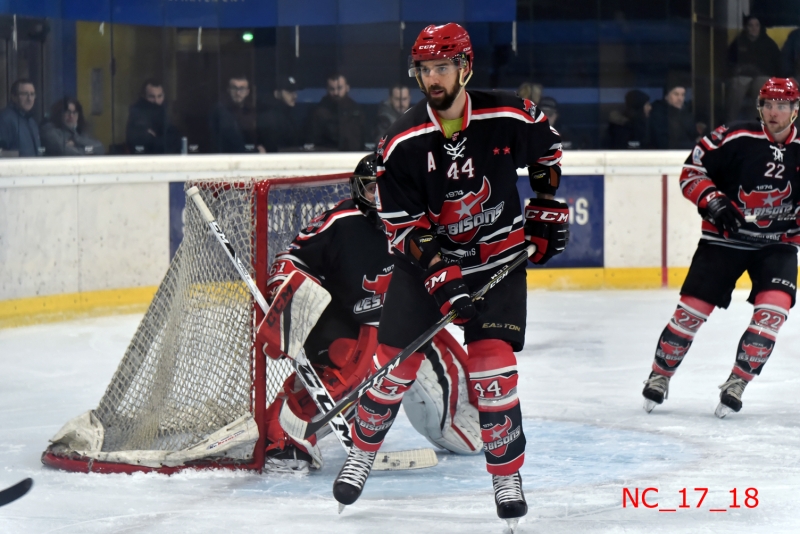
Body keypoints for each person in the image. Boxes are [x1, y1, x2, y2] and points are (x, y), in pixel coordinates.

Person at [331, 23, 568, 530]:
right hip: (425, 268)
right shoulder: (401, 143)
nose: (432, 78)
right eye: (424, 70)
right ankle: (363, 451)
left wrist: (547, 206)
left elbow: (547, 154)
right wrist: (444, 277)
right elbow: (406, 228)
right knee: (393, 367)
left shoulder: (509, 114)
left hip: (497, 258)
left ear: (466, 68)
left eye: (442, 67)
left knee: (493, 373)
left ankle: (507, 476)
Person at [262, 154, 482, 471]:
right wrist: (283, 293)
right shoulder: (340, 222)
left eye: (389, 190)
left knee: (461, 435)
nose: (381, 200)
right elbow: (292, 258)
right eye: (372, 190)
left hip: (403, 324)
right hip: (342, 322)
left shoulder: (423, 220)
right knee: (356, 360)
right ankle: (283, 437)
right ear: (358, 191)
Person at [642, 78, 800, 419]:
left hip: (779, 245)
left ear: (795, 110)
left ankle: (737, 383)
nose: (775, 113)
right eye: (769, 104)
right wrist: (712, 201)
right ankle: (660, 375)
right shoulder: (735, 136)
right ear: (760, 106)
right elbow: (691, 170)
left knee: (771, 315)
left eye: (783, 106)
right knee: (690, 315)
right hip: (724, 240)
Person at [727, 15, 781, 122]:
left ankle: (756, 123)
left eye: (757, 25)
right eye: (750, 25)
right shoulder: (738, 42)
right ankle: (730, 123)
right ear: (746, 27)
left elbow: (777, 63)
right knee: (736, 85)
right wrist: (736, 70)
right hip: (744, 75)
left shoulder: (769, 43)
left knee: (761, 88)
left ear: (760, 27)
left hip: (762, 76)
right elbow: (730, 62)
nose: (754, 28)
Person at [305, 73, 366, 151]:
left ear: (347, 87)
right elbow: (313, 143)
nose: (336, 93)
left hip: (353, 158)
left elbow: (362, 140)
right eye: (332, 89)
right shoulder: (319, 113)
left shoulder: (357, 111)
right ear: (327, 89)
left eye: (339, 88)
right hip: (329, 159)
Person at [209, 75, 265, 154]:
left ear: (247, 92)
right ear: (228, 90)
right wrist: (257, 152)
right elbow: (234, 145)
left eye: (242, 89)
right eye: (234, 88)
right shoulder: (220, 111)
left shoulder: (250, 111)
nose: (238, 93)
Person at [126, 79, 181, 154]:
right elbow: (139, 143)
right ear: (144, 96)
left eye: (160, 96)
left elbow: (176, 141)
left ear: (164, 95)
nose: (156, 101)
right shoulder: (137, 115)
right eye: (152, 97)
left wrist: (156, 138)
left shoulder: (168, 113)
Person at [40, 97, 105, 156]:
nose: (71, 116)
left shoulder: (80, 131)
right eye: (68, 112)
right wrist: (86, 150)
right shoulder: (49, 130)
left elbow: (99, 148)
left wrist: (76, 141)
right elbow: (64, 151)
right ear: (60, 113)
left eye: (74, 112)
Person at [649, 81, 700, 150]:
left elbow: (695, 136)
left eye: (683, 95)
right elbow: (663, 143)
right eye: (676, 94)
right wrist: (694, 145)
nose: (680, 98)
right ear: (666, 96)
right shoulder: (658, 114)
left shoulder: (687, 114)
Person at [259, 75, 301, 152]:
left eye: (295, 91)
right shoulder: (270, 118)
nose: (294, 95)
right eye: (289, 91)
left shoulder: (291, 115)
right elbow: (273, 149)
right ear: (277, 94)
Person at [0, 79, 41, 157]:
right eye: (25, 94)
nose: (29, 99)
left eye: (32, 94)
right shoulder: (4, 119)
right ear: (14, 97)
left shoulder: (31, 121)